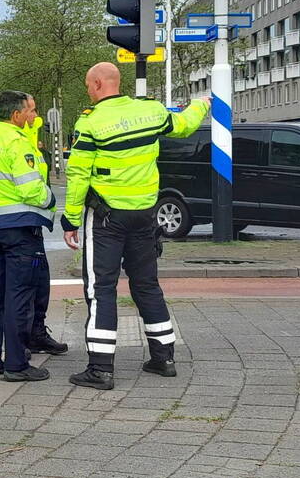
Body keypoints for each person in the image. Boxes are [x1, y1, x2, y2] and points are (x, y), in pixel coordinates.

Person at [61, 62, 210, 391]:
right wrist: (200, 105)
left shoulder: (91, 122)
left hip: (106, 218)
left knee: (100, 289)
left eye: (88, 85)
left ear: (99, 84)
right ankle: (164, 357)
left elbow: (78, 175)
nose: (88, 90)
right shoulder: (153, 111)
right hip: (145, 215)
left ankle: (100, 368)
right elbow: (184, 126)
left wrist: (71, 218)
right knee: (147, 285)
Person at [0, 90, 62, 383]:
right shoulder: (16, 143)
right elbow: (30, 189)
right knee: (19, 296)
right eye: (31, 111)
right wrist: (50, 199)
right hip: (20, 229)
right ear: (16, 115)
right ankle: (17, 364)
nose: (35, 115)